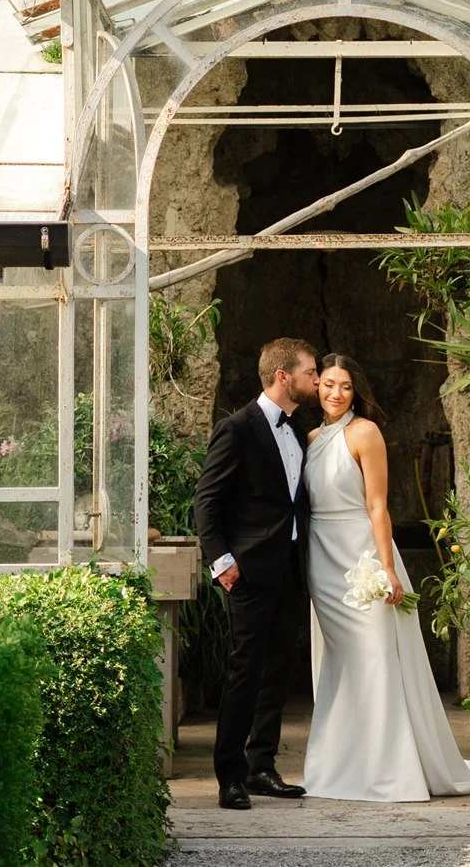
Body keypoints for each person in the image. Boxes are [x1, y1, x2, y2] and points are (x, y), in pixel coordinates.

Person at [301, 354, 470, 801]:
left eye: (345, 386)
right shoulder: (309, 437)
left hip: (362, 554)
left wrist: (387, 567)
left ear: (356, 391)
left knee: (376, 656)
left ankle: (390, 768)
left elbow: (377, 506)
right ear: (316, 387)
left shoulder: (365, 432)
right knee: (338, 662)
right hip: (320, 557)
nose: (335, 393)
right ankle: (339, 766)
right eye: (328, 384)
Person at [194, 336, 319, 810]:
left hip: (290, 567)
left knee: (278, 670)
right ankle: (230, 777)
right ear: (284, 376)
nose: (315, 379)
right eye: (310, 372)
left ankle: (262, 766)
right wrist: (223, 564)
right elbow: (207, 501)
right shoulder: (237, 427)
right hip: (246, 572)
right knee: (244, 671)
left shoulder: (298, 426)